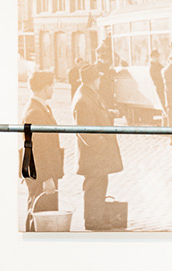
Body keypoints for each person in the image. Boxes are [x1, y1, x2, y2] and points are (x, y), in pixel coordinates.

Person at [72, 63, 123, 230]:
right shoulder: (83, 99)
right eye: (99, 77)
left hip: (98, 155)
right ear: (94, 79)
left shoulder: (89, 94)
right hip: (94, 155)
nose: (100, 80)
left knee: (100, 184)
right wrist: (103, 146)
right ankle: (92, 220)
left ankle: (98, 217)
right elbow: (86, 132)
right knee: (94, 187)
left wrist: (110, 114)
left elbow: (96, 114)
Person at [21, 71, 64, 228]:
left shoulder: (41, 108)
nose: (53, 89)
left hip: (42, 172)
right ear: (44, 88)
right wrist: (46, 177)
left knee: (42, 212)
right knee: (40, 214)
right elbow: (38, 149)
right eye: (51, 85)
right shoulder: (36, 112)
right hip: (41, 175)